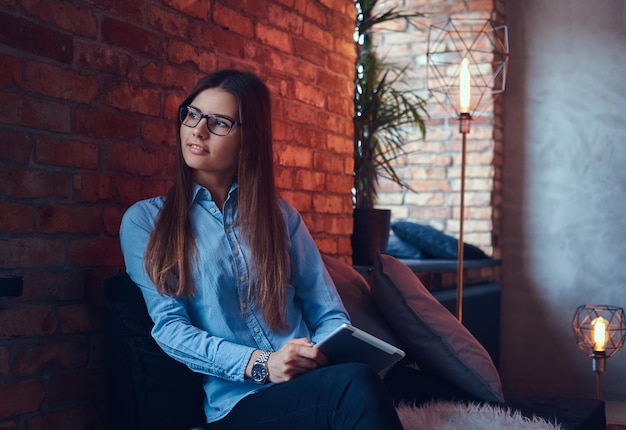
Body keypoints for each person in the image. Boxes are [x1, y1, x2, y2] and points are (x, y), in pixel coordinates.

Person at [120, 69, 403, 429]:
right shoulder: (146, 221)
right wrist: (263, 363)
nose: (198, 130)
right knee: (355, 385)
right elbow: (171, 330)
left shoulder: (282, 217)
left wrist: (318, 353)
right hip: (239, 405)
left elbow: (328, 313)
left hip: (311, 386)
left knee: (369, 378)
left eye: (219, 122)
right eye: (192, 114)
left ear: (247, 138)